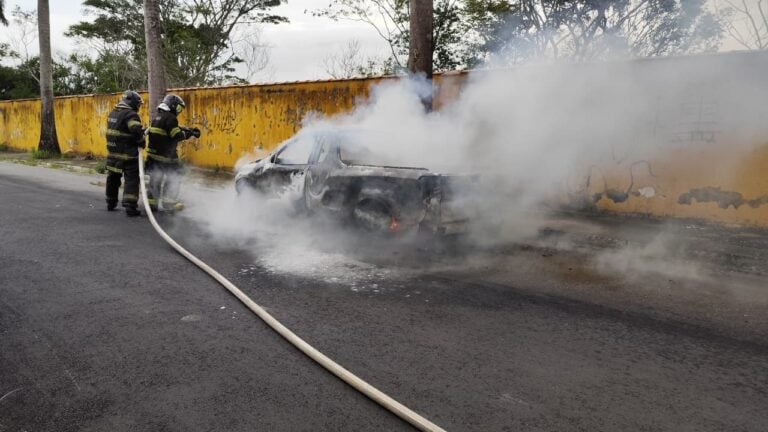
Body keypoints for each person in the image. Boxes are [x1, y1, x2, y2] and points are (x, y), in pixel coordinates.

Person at [145, 94, 200, 212]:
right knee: (175, 176)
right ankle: (168, 203)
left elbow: (168, 130)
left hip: (153, 156)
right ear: (173, 106)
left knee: (155, 179)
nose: (179, 111)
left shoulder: (158, 117)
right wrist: (190, 134)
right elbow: (176, 135)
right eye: (179, 108)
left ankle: (152, 204)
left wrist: (185, 129)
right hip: (166, 157)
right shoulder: (171, 118)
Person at [105, 90, 145, 216]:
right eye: (138, 104)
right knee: (131, 180)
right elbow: (135, 130)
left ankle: (110, 202)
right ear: (132, 102)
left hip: (113, 153)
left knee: (113, 178)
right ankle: (130, 206)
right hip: (127, 153)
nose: (138, 107)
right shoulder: (130, 114)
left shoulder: (114, 112)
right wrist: (141, 141)